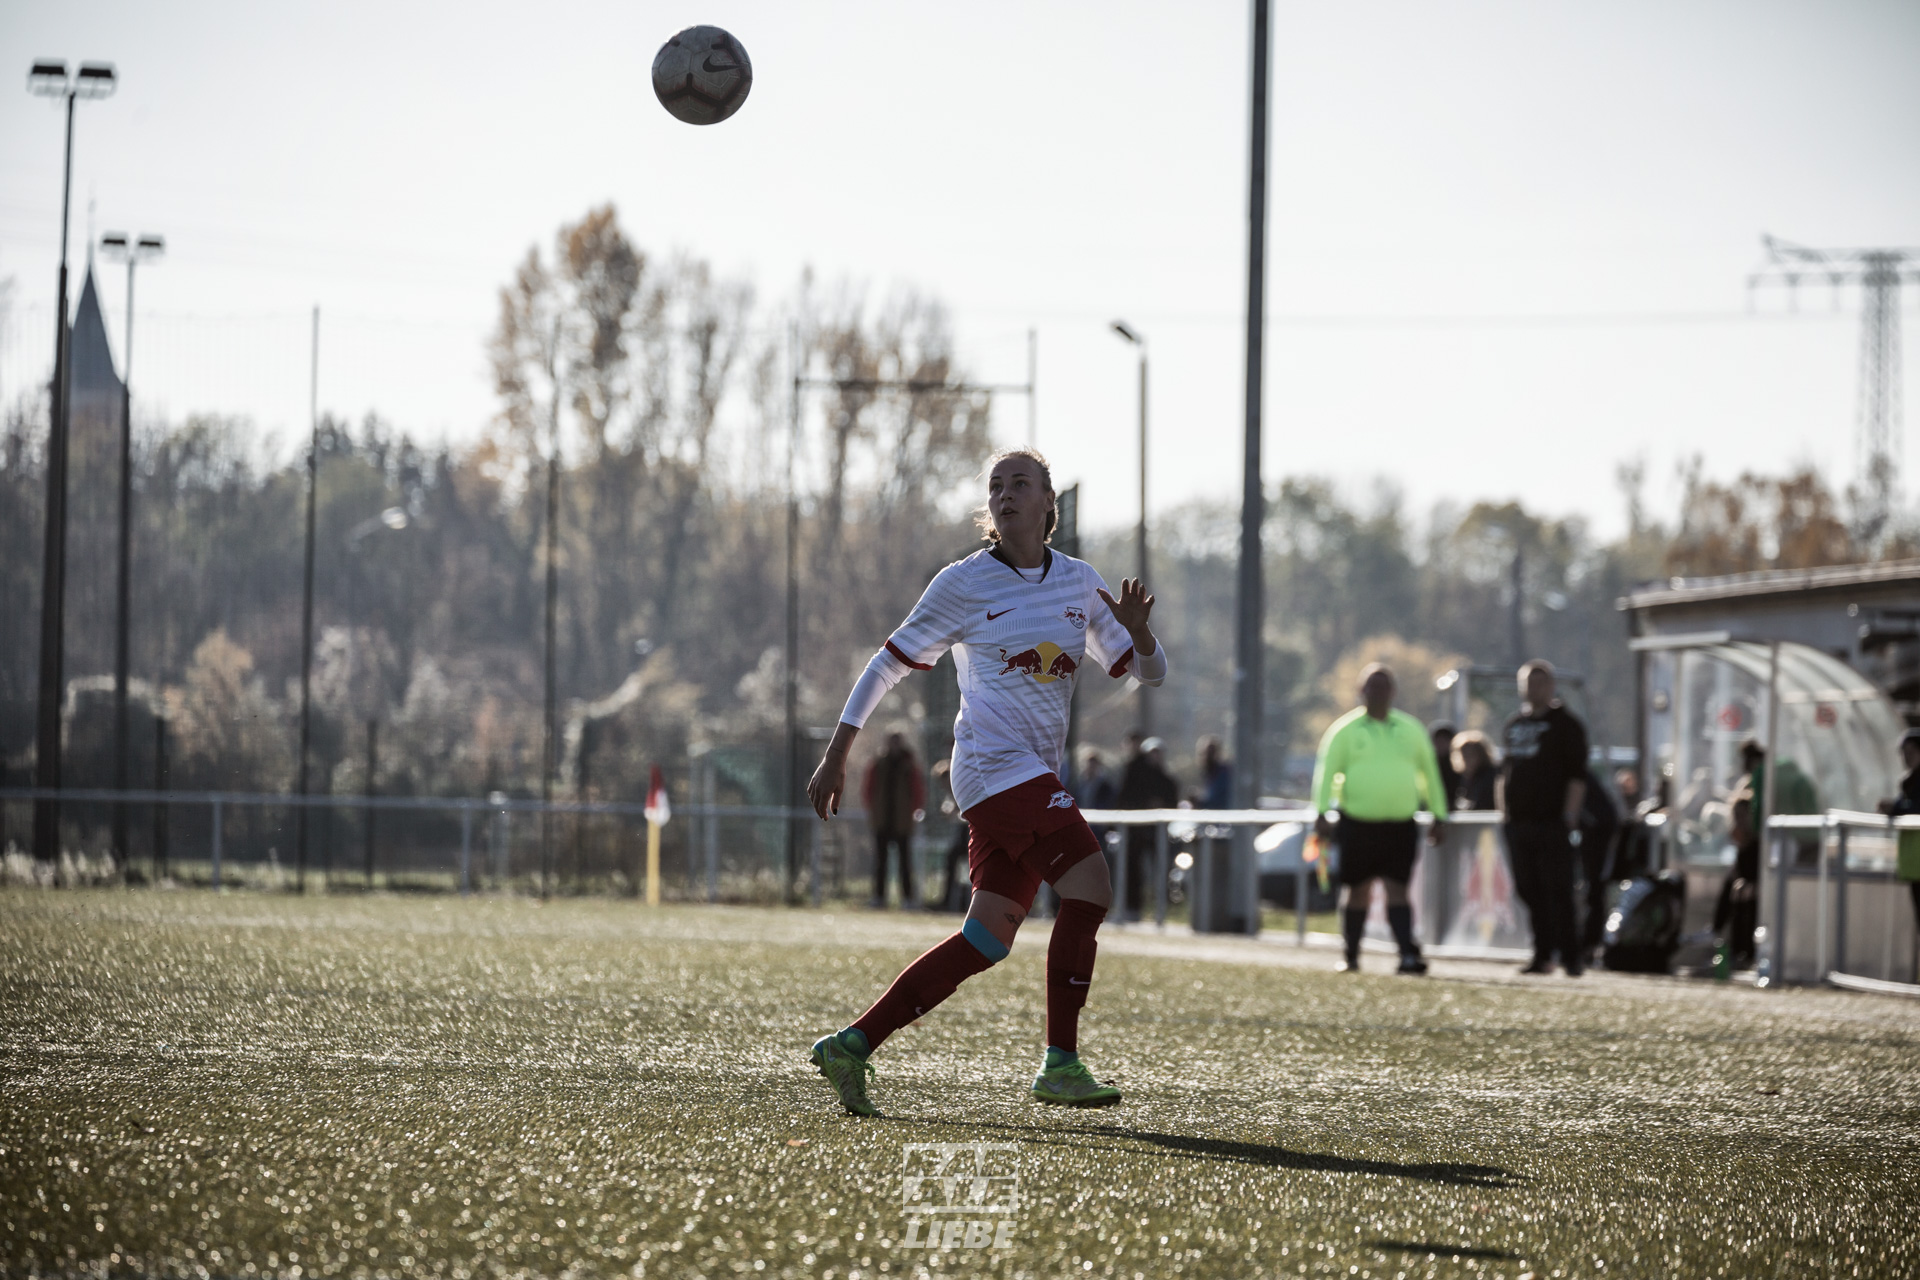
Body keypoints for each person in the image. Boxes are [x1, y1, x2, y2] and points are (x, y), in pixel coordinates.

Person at [804, 446, 1168, 1116]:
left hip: (1028, 776)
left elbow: (1150, 673)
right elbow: (884, 665)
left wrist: (1141, 637)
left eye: (1020, 483)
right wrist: (837, 753)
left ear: (1047, 504)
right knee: (1092, 884)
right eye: (996, 485)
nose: (1005, 494)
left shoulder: (1079, 582)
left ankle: (852, 1044)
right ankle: (1061, 1062)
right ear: (990, 510)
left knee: (987, 940)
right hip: (991, 769)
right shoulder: (964, 583)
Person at [1310, 663, 1450, 975]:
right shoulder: (1344, 731)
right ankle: (1352, 955)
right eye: (1371, 687)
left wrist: (1439, 815)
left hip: (1399, 825)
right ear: (1361, 691)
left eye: (1383, 686)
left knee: (1397, 888)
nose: (1377, 693)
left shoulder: (1411, 730)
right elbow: (1326, 773)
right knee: (1357, 890)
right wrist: (1320, 812)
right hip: (1357, 824)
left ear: (1393, 692)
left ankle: (1406, 956)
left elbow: (1429, 776)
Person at [1499, 660, 1590, 976]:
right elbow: (1506, 773)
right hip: (1519, 823)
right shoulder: (1513, 724)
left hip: (1552, 821)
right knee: (1529, 890)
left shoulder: (1566, 725)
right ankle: (1542, 955)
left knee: (1559, 891)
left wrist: (1569, 815)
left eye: (1539, 683)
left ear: (1551, 687)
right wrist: (1505, 816)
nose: (1533, 689)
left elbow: (1577, 776)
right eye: (1528, 683)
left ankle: (1571, 956)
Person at [1117, 733, 1180, 916]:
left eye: (1158, 753)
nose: (1155, 756)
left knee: (1161, 871)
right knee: (1132, 871)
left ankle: (1162, 910)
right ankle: (1132, 909)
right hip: (1135, 832)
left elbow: (1172, 805)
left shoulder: (1168, 781)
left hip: (1157, 833)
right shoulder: (1132, 775)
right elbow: (1124, 800)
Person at [864, 730, 926, 908]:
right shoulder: (878, 764)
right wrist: (872, 810)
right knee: (880, 861)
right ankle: (878, 897)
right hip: (882, 819)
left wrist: (914, 810)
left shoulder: (909, 765)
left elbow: (917, 790)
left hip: (902, 820)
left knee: (905, 862)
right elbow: (869, 788)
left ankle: (907, 898)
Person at [1875, 727, 1920, 935]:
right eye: (1903, 752)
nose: (1905, 757)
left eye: (1910, 751)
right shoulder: (1909, 782)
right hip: (1913, 862)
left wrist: (1894, 808)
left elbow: (1913, 809)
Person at [1576, 765, 1622, 961]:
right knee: (1592, 890)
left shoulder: (1575, 774)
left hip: (1597, 834)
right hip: (1591, 834)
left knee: (1595, 889)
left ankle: (1590, 943)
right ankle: (1586, 942)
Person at [930, 759, 970, 912]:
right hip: (961, 832)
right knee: (951, 860)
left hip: (970, 832)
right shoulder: (950, 792)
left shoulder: (960, 786)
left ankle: (963, 901)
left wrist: (954, 812)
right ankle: (948, 900)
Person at [1451, 731, 1498, 811]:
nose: (1467, 759)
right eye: (1464, 754)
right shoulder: (1464, 778)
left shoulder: (1490, 777)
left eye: (1471, 754)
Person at [1194, 735, 1233, 811]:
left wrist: (1201, 802)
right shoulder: (1207, 774)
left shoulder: (1224, 774)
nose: (1207, 757)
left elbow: (1218, 800)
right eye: (1205, 753)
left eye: (1211, 753)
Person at [1430, 722, 1461, 812]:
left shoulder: (1460, 765)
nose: (1441, 743)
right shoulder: (1430, 764)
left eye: (1445, 740)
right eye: (1438, 740)